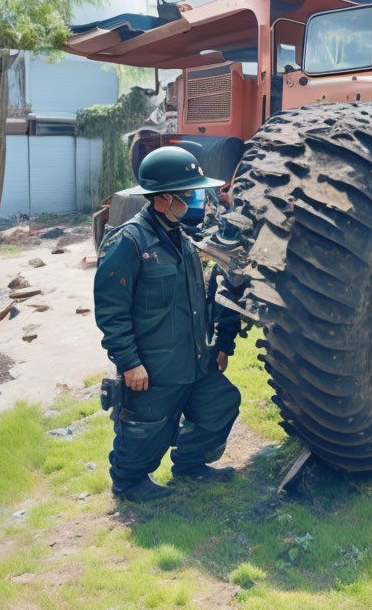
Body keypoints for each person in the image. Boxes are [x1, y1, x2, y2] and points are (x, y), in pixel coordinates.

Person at [94, 146, 242, 502]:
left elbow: (203, 296)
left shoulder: (183, 238)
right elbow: (111, 309)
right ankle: (128, 483)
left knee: (220, 404)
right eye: (188, 193)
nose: (194, 200)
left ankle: (190, 463)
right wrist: (129, 363)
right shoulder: (129, 241)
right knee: (146, 430)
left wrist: (221, 344)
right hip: (154, 365)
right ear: (162, 198)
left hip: (193, 357)